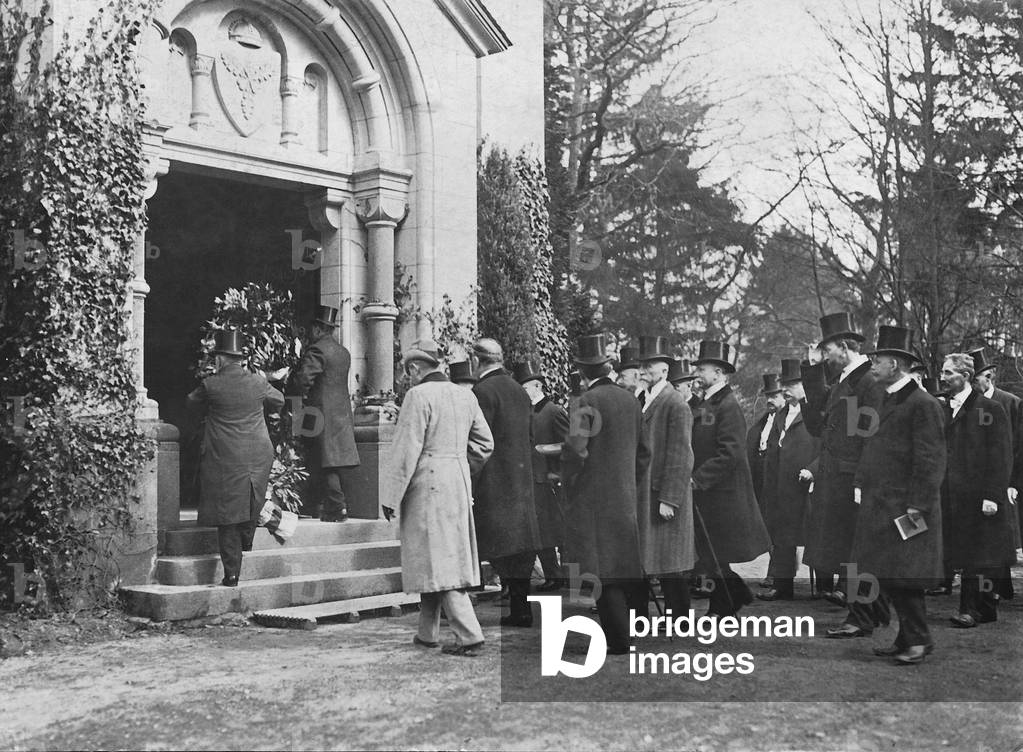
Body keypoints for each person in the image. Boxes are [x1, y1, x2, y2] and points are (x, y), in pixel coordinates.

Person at [381, 339, 494, 657]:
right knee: (440, 555)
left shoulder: (418, 396)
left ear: (416, 369)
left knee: (440, 560)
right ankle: (427, 633)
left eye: (409, 372)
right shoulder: (465, 395)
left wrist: (391, 495)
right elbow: (485, 444)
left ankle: (470, 634)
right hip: (457, 484)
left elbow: (406, 450)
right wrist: (458, 466)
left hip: (427, 486)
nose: (409, 377)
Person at [851, 326, 946, 664]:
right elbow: (871, 448)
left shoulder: (924, 404)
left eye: (877, 360)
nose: (872, 364)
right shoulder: (885, 398)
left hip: (908, 508)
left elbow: (930, 462)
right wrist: (862, 482)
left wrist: (917, 508)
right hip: (882, 505)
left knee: (906, 577)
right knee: (892, 574)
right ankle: (907, 638)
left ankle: (919, 641)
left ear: (894, 364)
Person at [800, 312, 891, 638]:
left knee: (857, 550)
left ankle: (861, 617)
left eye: (826, 351)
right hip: (838, 478)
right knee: (849, 549)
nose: (825, 357)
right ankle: (870, 613)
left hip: (852, 480)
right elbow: (817, 424)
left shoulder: (867, 382)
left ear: (843, 347)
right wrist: (810, 369)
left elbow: (871, 438)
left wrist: (860, 482)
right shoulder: (847, 381)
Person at [561, 334, 649, 654]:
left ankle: (619, 640)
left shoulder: (585, 401)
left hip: (593, 499)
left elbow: (575, 450)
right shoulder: (630, 400)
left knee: (603, 571)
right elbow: (644, 454)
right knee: (625, 565)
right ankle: (632, 631)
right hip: (624, 497)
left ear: (583, 371)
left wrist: (568, 480)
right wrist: (628, 484)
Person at [188, 329, 284, 586]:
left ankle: (232, 573)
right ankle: (247, 541)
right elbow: (280, 400)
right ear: (241, 359)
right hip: (258, 454)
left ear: (219, 359)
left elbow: (190, 402)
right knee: (252, 499)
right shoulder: (257, 382)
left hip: (225, 455)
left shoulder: (211, 384)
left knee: (227, 513)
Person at [690, 340, 770, 617]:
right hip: (710, 493)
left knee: (716, 552)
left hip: (722, 494)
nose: (698, 373)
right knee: (711, 553)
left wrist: (698, 479)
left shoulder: (727, 405)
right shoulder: (709, 402)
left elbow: (731, 452)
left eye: (703, 368)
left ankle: (723, 606)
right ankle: (735, 595)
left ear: (719, 372)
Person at [940, 353, 1015, 628]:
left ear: (966, 377)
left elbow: (1001, 455)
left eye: (949, 373)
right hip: (954, 496)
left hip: (981, 496)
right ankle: (983, 608)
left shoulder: (989, 409)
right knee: (969, 552)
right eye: (943, 372)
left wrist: (992, 496)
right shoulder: (946, 409)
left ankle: (972, 609)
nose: (943, 378)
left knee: (980, 555)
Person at [471, 338, 541, 627]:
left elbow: (478, 437)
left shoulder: (482, 391)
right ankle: (521, 607)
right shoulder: (519, 390)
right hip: (521, 480)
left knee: (496, 543)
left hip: (494, 480)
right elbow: (530, 435)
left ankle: (516, 605)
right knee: (521, 546)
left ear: (477, 361)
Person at [635, 336, 696, 618]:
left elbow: (680, 455)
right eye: (643, 363)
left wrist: (670, 499)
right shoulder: (645, 399)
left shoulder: (675, 403)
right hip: (648, 490)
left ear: (665, 370)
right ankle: (658, 616)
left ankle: (681, 618)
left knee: (671, 560)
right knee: (655, 557)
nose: (645, 368)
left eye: (651, 364)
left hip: (664, 493)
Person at [758, 359, 819, 601]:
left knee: (816, 533)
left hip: (807, 484)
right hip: (781, 484)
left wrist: (813, 469)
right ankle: (782, 585)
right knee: (782, 535)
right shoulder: (781, 413)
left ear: (805, 386)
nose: (786, 389)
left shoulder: (815, 413)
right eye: (785, 384)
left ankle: (827, 586)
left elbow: (827, 446)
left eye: (792, 384)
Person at [293, 305, 360, 522]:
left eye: (312, 329)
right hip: (341, 414)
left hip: (318, 413)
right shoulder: (343, 352)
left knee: (322, 458)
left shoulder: (317, 350)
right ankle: (330, 505)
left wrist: (293, 401)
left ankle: (334, 505)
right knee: (332, 459)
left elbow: (304, 380)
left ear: (318, 329)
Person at [513, 360, 569, 592]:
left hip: (547, 481)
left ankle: (557, 574)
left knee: (547, 530)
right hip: (528, 480)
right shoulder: (524, 412)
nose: (523, 393)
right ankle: (553, 574)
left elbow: (570, 446)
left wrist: (544, 450)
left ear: (537, 387)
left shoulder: (553, 411)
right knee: (536, 530)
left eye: (525, 389)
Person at [970, 347, 1021, 600]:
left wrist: (1014, 482)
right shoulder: (972, 404)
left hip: (1006, 478)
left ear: (989, 375)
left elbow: (1019, 446)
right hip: (982, 477)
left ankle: (1001, 588)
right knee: (989, 534)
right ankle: (996, 589)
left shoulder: (1011, 402)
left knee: (1002, 533)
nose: (973, 381)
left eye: (977, 376)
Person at [747, 373, 785, 520]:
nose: (769, 400)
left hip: (776, 472)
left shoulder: (788, 420)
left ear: (784, 396)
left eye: (774, 396)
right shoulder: (762, 420)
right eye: (768, 396)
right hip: (758, 470)